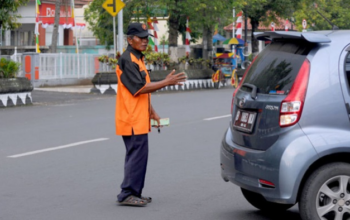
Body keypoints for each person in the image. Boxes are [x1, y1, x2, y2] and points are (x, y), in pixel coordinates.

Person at [115, 23, 187, 206]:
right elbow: (140, 88)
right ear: (130, 40)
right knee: (136, 155)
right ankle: (127, 194)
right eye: (140, 37)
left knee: (140, 156)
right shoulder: (127, 60)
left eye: (146, 37)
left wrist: (152, 113)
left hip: (139, 117)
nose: (145, 41)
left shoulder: (138, 59)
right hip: (131, 118)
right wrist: (166, 82)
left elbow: (144, 92)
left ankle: (135, 193)